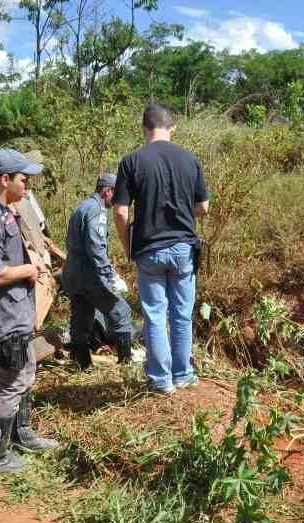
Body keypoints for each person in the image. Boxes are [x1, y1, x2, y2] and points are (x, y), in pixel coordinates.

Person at [0, 148, 58, 476]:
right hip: (3, 317)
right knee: (9, 384)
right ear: (5, 180)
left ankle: (22, 434)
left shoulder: (4, 209)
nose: (28, 186)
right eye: (24, 179)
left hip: (15, 313)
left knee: (25, 373)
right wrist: (29, 270)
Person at [112, 104, 209, 395]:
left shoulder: (131, 161)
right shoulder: (190, 159)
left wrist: (129, 247)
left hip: (150, 250)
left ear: (144, 129)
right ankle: (183, 374)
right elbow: (203, 207)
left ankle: (161, 381)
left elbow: (119, 212)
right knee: (182, 314)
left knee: (155, 315)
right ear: (173, 127)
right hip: (183, 249)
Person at [62, 173, 133, 371]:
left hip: (73, 274)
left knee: (81, 319)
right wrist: (111, 276)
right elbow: (96, 247)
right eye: (116, 195)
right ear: (107, 191)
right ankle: (126, 365)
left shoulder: (81, 207)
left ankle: (83, 365)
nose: (118, 200)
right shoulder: (97, 211)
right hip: (90, 275)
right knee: (122, 313)